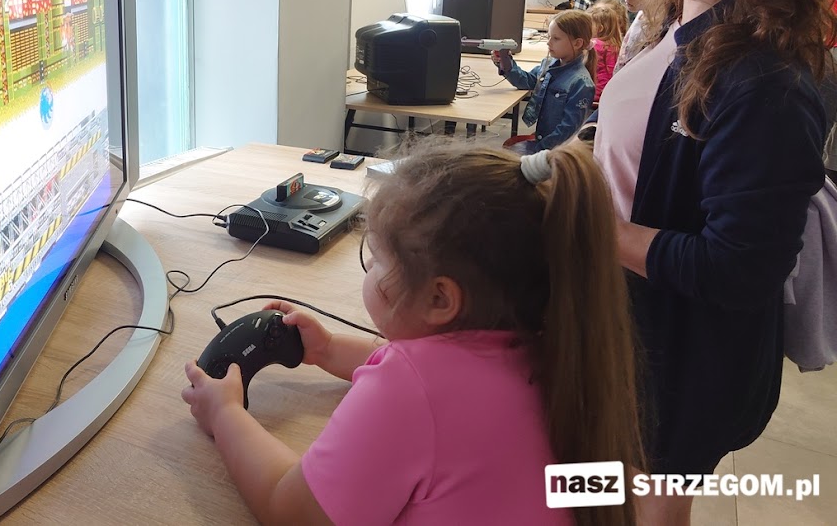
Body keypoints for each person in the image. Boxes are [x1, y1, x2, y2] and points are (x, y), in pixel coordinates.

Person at [592, 0, 837, 525]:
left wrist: (591, 229)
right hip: (626, 331)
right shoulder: (684, 26)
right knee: (598, 482)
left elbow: (739, 269)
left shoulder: (765, 82)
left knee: (653, 498)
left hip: (678, 366)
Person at [182, 139, 643, 526]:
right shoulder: (559, 346)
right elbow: (441, 381)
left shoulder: (408, 387)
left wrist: (224, 413)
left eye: (377, 257)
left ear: (440, 299)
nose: (369, 266)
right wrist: (328, 349)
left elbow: (294, 512)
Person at [493, 9, 595, 154]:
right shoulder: (548, 64)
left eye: (556, 38)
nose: (548, 42)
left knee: (502, 158)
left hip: (556, 151)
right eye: (548, 37)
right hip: (542, 142)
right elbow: (526, 81)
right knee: (502, 155)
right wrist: (505, 62)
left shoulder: (581, 83)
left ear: (578, 43)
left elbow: (568, 129)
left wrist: (538, 151)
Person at [587, 0, 627, 103]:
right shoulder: (617, 45)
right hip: (609, 94)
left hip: (594, 94)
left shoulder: (594, 44)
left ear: (599, 28)